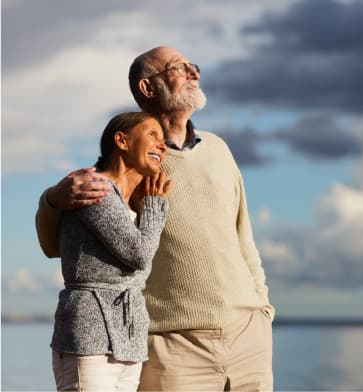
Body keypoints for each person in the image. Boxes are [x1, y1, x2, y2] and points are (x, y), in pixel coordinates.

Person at [36, 46, 275, 391]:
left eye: (194, 66)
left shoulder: (219, 149)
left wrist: (262, 312)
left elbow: (244, 237)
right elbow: (53, 245)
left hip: (248, 337)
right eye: (180, 68)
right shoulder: (130, 165)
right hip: (171, 346)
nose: (194, 73)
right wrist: (53, 200)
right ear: (148, 88)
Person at [49, 112, 172, 391]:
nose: (162, 145)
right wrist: (154, 207)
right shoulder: (96, 190)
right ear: (122, 140)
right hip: (90, 335)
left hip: (128, 339)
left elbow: (139, 269)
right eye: (152, 134)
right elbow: (139, 255)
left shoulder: (129, 204)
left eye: (163, 139)